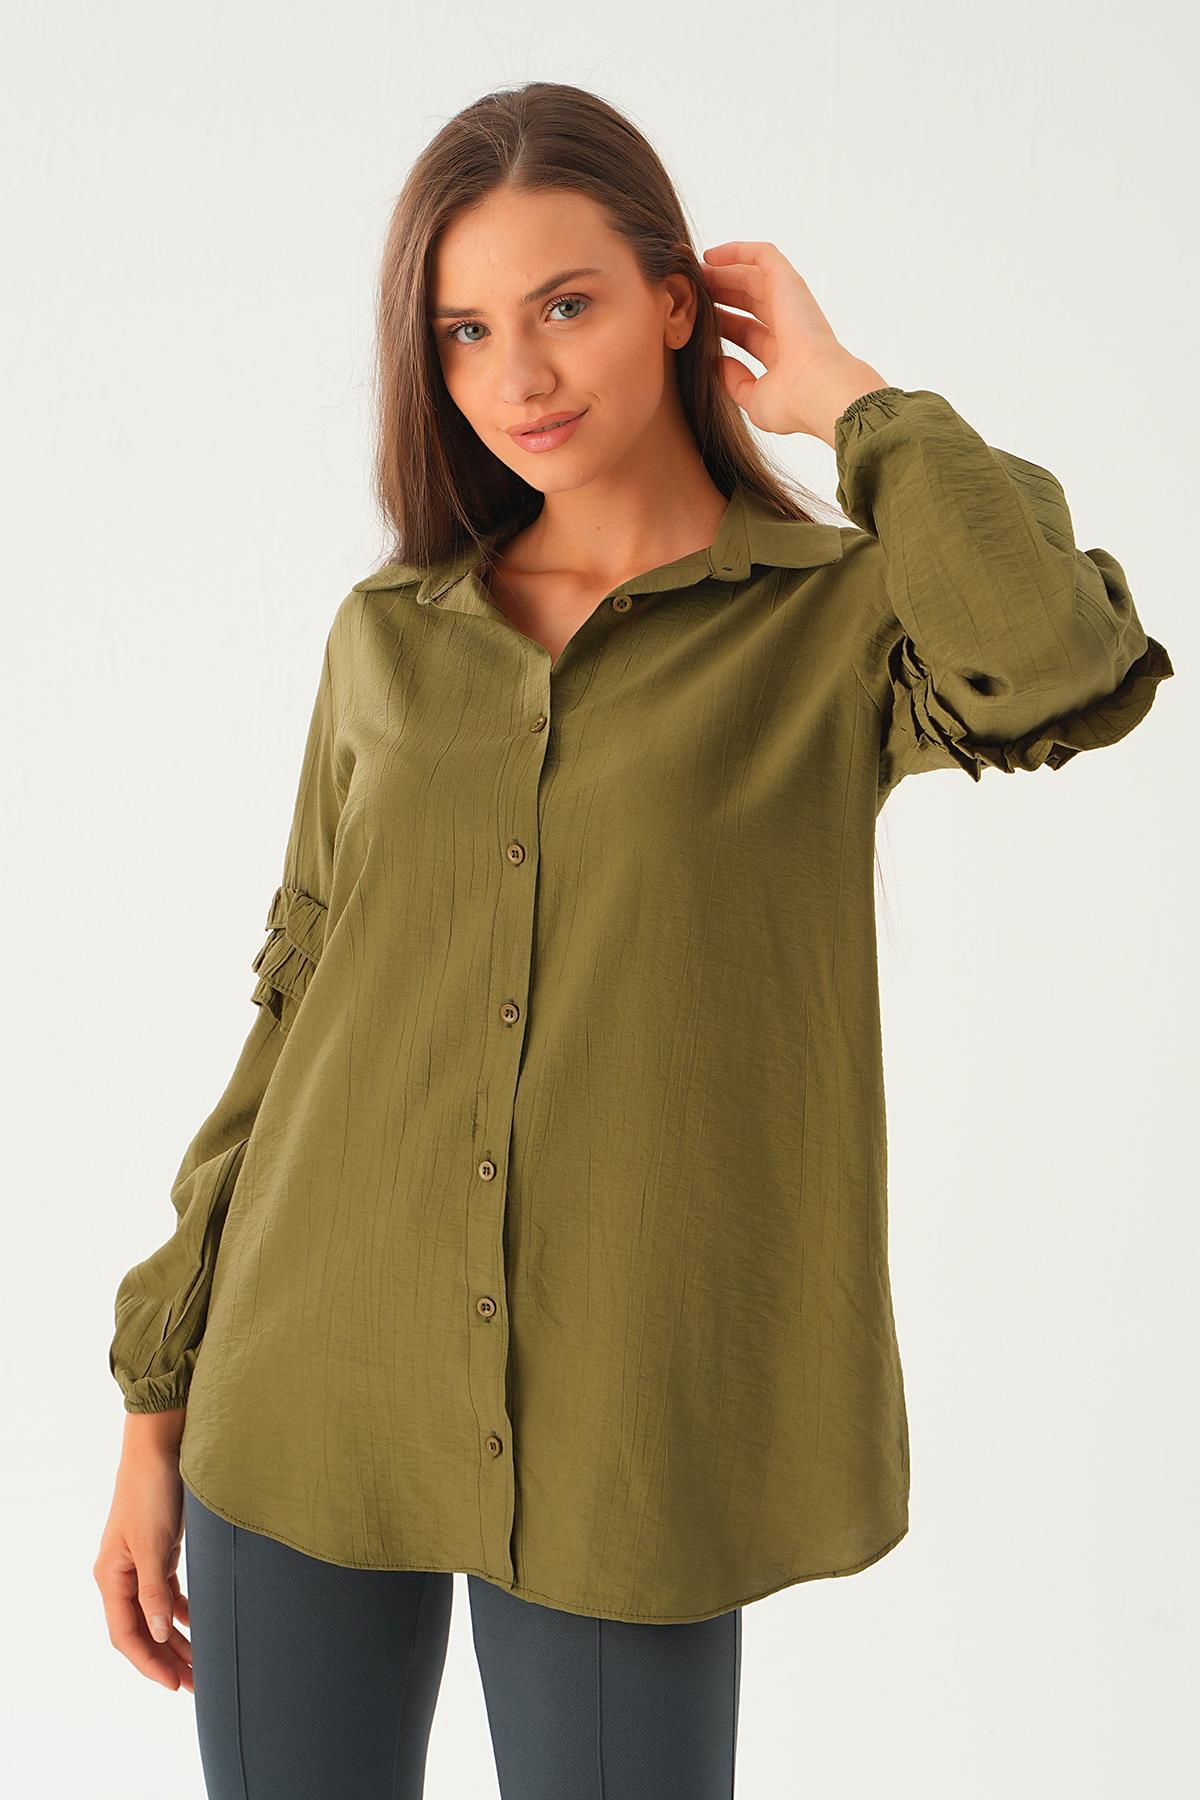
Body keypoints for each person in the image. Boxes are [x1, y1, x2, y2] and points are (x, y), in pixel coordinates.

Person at [93, 80, 1173, 1800]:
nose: (517, 374)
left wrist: (853, 402)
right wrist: (156, 1399)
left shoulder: (834, 623)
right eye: (464, 331)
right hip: (304, 1382)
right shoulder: (389, 636)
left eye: (566, 305)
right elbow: (295, 1009)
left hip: (628, 1426)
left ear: (679, 304)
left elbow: (1053, 658)